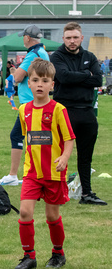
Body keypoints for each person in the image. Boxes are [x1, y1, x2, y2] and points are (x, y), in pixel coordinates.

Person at [14, 59, 75, 269]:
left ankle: (58, 253)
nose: (40, 84)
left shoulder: (59, 110)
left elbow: (69, 138)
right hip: (32, 172)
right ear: (28, 83)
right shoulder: (24, 110)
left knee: (51, 215)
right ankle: (29, 256)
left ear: (52, 85)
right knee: (24, 212)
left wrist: (65, 157)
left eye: (45, 80)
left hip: (54, 172)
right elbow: (27, 137)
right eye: (35, 80)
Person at [51, 22, 106, 206]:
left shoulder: (89, 56)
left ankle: (87, 193)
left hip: (87, 112)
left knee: (85, 155)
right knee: (57, 153)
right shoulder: (57, 56)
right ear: (63, 38)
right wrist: (86, 75)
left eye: (75, 37)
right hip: (64, 111)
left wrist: (78, 76)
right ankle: (55, 191)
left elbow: (98, 79)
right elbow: (63, 77)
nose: (72, 41)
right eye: (68, 38)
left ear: (82, 38)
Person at [0, 25, 50, 187]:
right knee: (34, 138)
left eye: (23, 37)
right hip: (38, 102)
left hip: (30, 104)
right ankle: (36, 174)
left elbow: (18, 77)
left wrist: (13, 72)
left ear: (27, 38)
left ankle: (19, 175)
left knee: (27, 138)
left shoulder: (33, 54)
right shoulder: (43, 52)